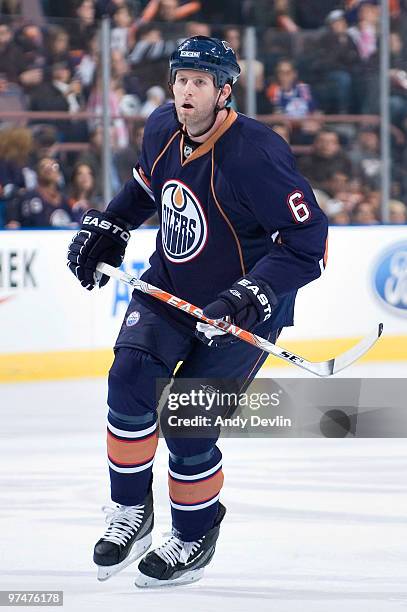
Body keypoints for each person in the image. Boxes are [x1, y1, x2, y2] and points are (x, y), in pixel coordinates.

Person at [67, 36, 328, 587]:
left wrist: (248, 296)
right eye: (181, 79)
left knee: (187, 425)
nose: (186, 92)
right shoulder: (162, 126)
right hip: (170, 286)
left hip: (241, 310)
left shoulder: (256, 153)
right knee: (129, 379)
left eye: (200, 83)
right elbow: (145, 186)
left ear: (224, 91)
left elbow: (308, 243)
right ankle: (131, 513)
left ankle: (193, 535)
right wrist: (111, 225)